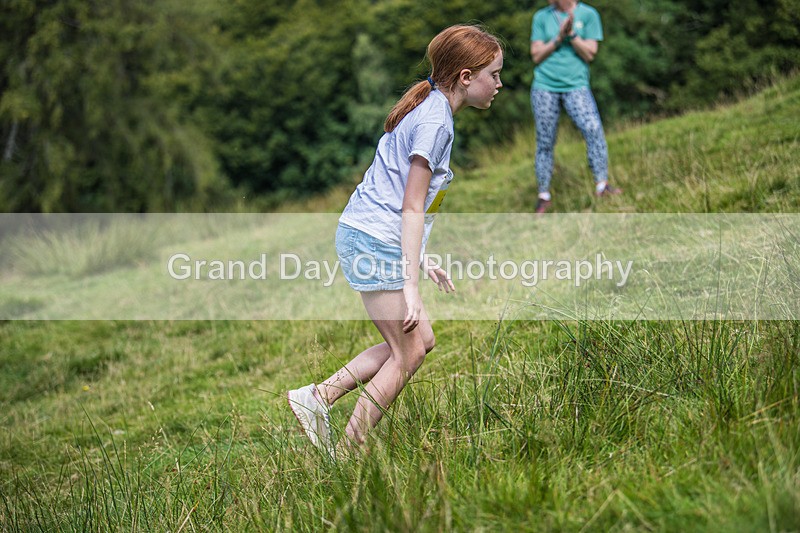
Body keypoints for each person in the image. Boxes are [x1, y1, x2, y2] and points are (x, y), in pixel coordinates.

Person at [287, 25, 504, 458]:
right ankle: (349, 450)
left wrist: (422, 258)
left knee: (418, 342)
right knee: (407, 354)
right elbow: (410, 205)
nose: (499, 84)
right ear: (466, 76)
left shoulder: (431, 107)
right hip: (372, 241)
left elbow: (402, 198)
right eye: (494, 74)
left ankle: (319, 398)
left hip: (370, 237)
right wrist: (410, 285)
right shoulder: (435, 121)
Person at [530, 0, 620, 214]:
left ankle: (602, 185)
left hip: (576, 85)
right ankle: (544, 195)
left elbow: (590, 53)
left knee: (593, 129)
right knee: (545, 140)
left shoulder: (588, 14)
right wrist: (559, 37)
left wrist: (571, 35)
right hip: (545, 86)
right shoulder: (541, 17)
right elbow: (536, 55)